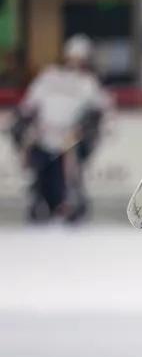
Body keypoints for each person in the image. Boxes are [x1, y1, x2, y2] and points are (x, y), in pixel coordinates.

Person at [15, 34, 111, 222]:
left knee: (70, 165)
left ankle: (69, 200)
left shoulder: (88, 82)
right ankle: (38, 197)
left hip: (70, 137)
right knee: (37, 162)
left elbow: (102, 110)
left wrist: (88, 128)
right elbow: (28, 106)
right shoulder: (49, 75)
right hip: (43, 134)